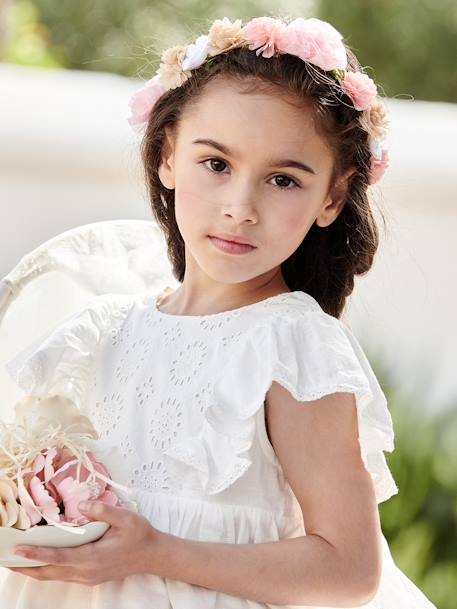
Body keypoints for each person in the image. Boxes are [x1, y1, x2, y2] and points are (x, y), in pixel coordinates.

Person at [0, 14, 437, 609]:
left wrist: (155, 551)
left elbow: (349, 568)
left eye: (283, 180)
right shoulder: (102, 329)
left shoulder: (290, 343)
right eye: (216, 164)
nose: (240, 207)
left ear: (331, 197)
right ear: (167, 156)